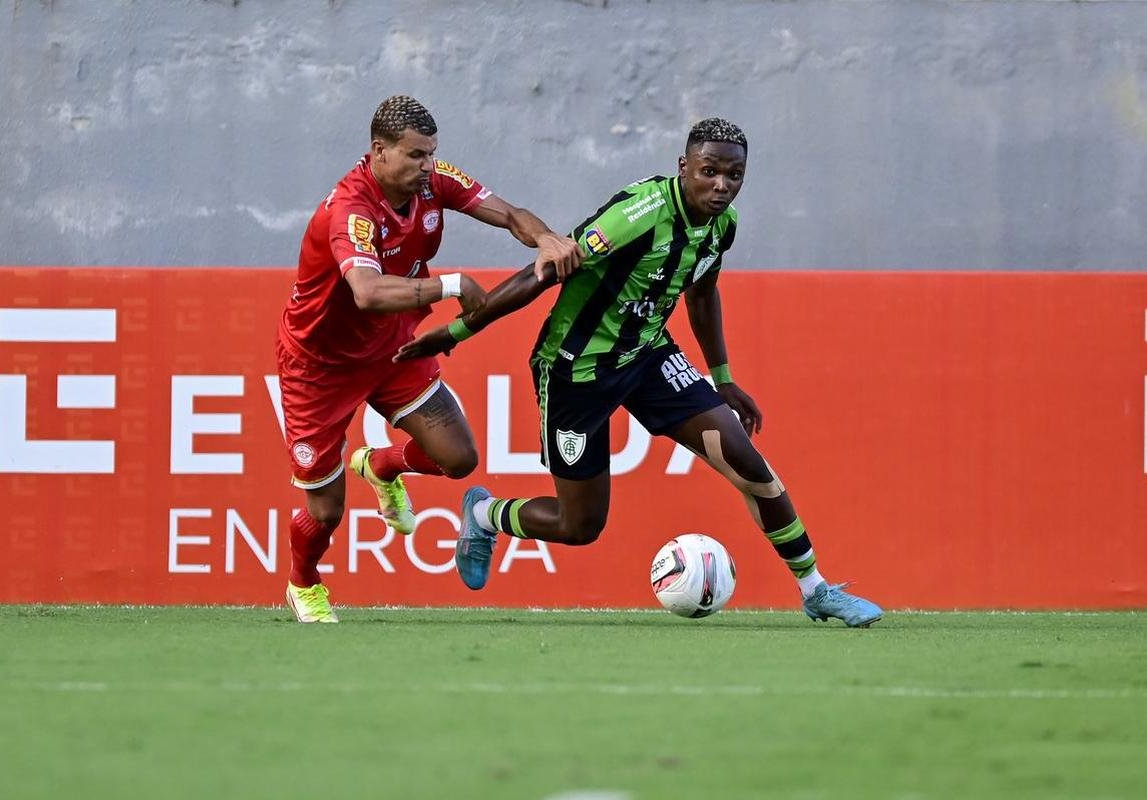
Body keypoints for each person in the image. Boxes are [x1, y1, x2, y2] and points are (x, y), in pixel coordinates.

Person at [395, 117, 882, 627]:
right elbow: (543, 271)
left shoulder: (723, 224)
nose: (720, 186)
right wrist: (455, 334)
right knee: (580, 525)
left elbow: (701, 292)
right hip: (576, 371)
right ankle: (483, 514)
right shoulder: (638, 215)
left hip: (648, 356)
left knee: (742, 454)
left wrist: (723, 376)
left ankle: (817, 590)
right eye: (709, 171)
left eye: (733, 176)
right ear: (684, 167)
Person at [277, 95, 582, 623]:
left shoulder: (431, 180)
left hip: (392, 348)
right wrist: (449, 285)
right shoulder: (350, 211)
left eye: (432, 153)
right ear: (380, 152)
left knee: (459, 459)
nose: (428, 166)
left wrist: (548, 239)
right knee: (325, 513)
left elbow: (508, 213)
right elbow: (367, 292)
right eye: (417, 155)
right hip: (320, 366)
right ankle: (304, 582)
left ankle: (381, 465)